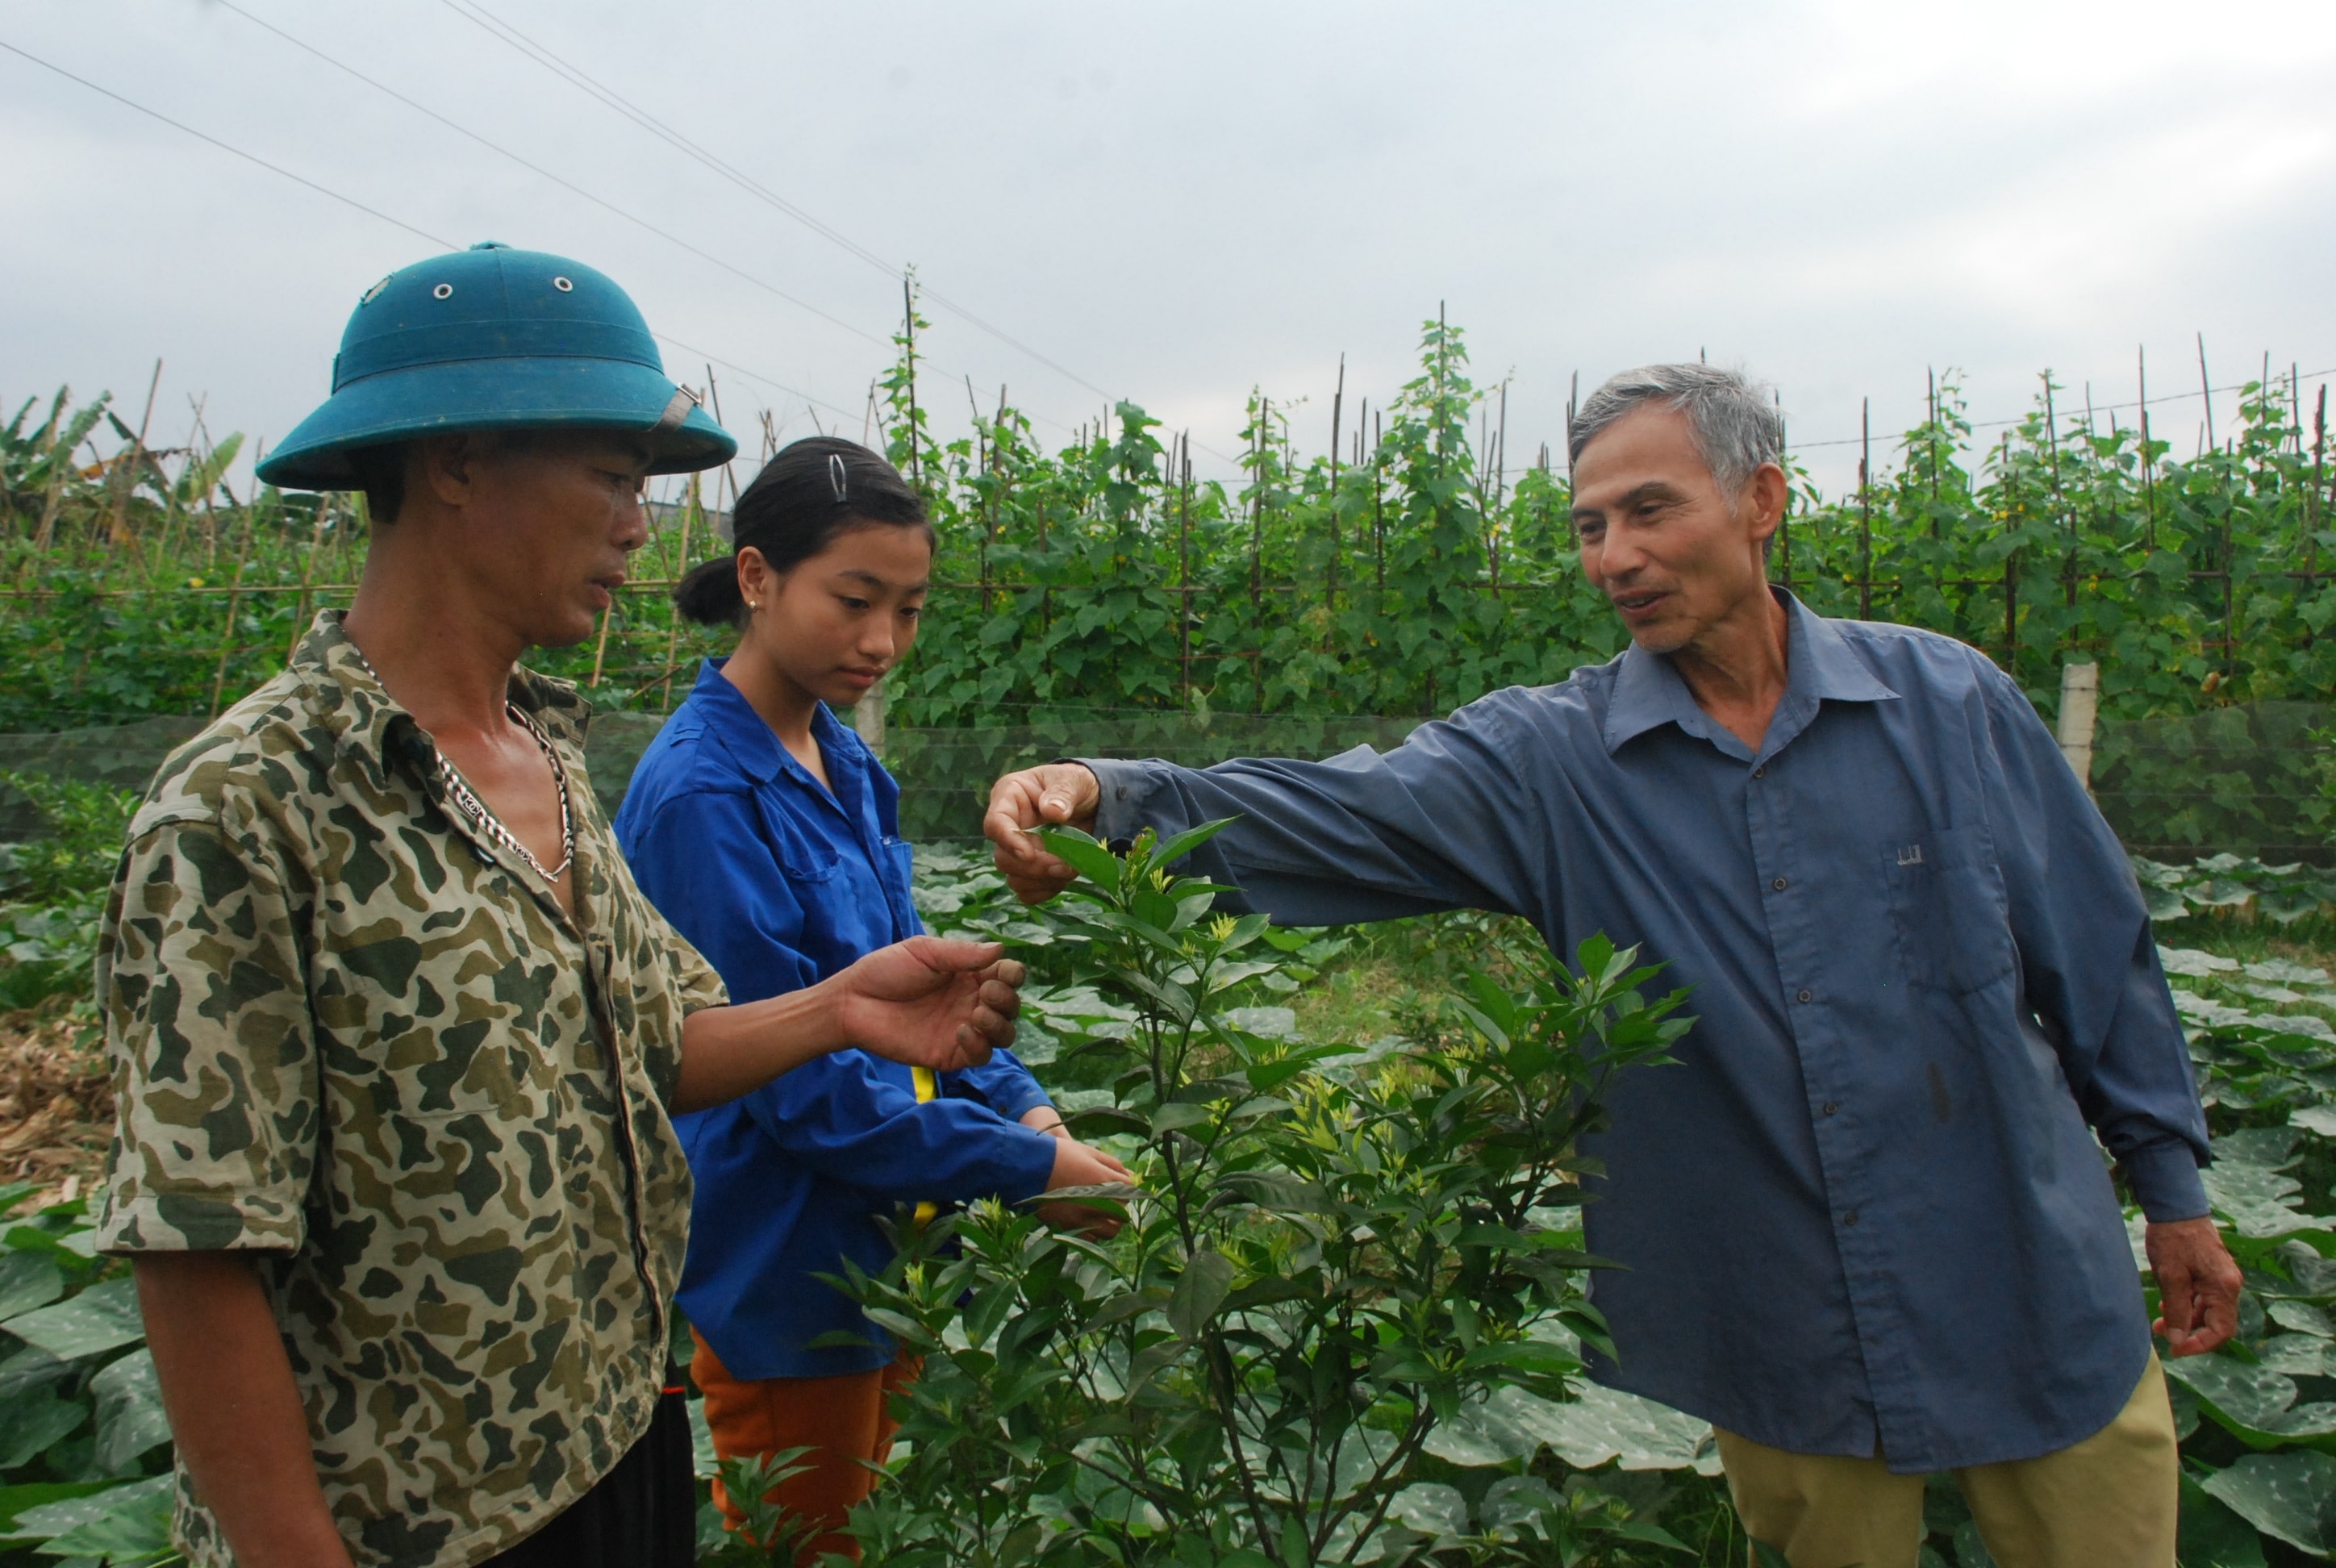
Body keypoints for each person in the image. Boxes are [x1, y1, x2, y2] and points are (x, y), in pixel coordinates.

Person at [984, 363, 2240, 1568]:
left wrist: (2172, 1189)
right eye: (1589, 526)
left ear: (1762, 503)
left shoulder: (1948, 703)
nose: (1616, 557)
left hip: (2026, 1268)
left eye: (1650, 510)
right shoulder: (1555, 762)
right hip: (1782, 1311)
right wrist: (1107, 794)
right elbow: (1335, 811)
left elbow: (2095, 950)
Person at [94, 243, 1027, 1568]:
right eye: (609, 478)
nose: (641, 526)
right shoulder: (252, 808)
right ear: (457, 462)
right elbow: (193, 1246)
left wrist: (839, 1009)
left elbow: (655, 1045)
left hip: (614, 1450)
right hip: (413, 1528)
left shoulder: (547, 759)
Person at [614, 435, 1131, 1562]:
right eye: (854, 601)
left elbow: (915, 989)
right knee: (815, 1541)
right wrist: (1026, 1169)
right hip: (788, 1267)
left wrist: (1028, 1108)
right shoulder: (704, 792)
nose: (882, 642)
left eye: (907, 608)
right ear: (756, 577)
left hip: (895, 1236)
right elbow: (797, 1086)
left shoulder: (843, 762)